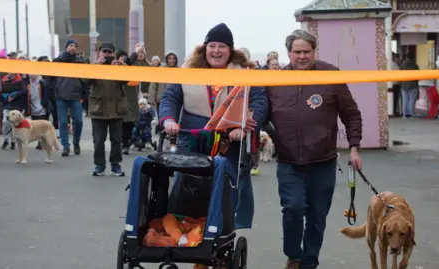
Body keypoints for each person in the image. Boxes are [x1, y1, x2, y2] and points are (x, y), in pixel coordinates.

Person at [267, 29, 363, 269]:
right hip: (289, 162)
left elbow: (351, 115)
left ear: (314, 51)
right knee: (293, 208)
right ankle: (293, 254)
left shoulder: (331, 76)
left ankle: (309, 263)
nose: (302, 57)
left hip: (323, 162)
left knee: (317, 218)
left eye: (306, 52)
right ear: (288, 53)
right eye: (297, 52)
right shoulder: (275, 81)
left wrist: (354, 147)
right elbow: (262, 114)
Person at [159, 23, 268, 229]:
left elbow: (259, 101)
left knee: (225, 191)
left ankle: (220, 233)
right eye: (212, 46)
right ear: (205, 48)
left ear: (231, 50)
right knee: (188, 187)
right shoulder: (188, 71)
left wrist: (243, 125)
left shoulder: (245, 74)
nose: (216, 51)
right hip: (193, 139)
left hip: (230, 142)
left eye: (222, 46)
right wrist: (169, 120)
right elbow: (170, 98)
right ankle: (189, 231)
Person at [88, 42, 128, 176]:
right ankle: (99, 165)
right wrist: (95, 66)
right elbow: (84, 80)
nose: (107, 54)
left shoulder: (118, 67)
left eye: (109, 52)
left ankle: (115, 165)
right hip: (98, 109)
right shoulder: (94, 67)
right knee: (98, 140)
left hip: (116, 109)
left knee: (116, 139)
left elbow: (129, 78)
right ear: (99, 53)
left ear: (113, 53)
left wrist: (121, 66)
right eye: (104, 52)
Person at [46, 39, 87, 156]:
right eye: (71, 45)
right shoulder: (57, 61)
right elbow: (49, 79)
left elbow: (85, 79)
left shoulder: (81, 62)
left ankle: (76, 142)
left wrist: (84, 93)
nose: (73, 47)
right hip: (61, 96)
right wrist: (54, 90)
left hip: (76, 96)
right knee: (63, 122)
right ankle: (65, 146)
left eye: (75, 46)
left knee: (78, 121)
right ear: (66, 47)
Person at [115, 49, 140, 155]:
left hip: (131, 98)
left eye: (125, 57)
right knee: (121, 123)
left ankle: (126, 143)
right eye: (121, 57)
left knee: (129, 123)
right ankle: (123, 144)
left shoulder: (132, 68)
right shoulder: (115, 69)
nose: (123, 59)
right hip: (119, 98)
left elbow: (136, 82)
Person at [25, 71, 49, 149]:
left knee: (41, 126)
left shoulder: (42, 82)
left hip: (41, 107)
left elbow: (45, 94)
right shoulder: (27, 83)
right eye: (30, 73)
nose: (31, 75)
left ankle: (42, 143)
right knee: (35, 126)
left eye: (33, 73)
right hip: (32, 107)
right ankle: (40, 142)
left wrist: (44, 105)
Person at [400, 53, 420, 119]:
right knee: (412, 100)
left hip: (404, 85)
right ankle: (411, 114)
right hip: (413, 85)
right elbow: (418, 75)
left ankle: (405, 114)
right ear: (413, 58)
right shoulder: (415, 65)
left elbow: (399, 75)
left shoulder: (402, 65)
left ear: (406, 57)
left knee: (405, 100)